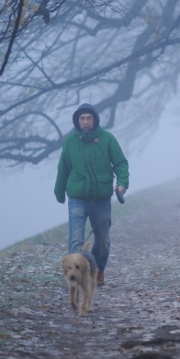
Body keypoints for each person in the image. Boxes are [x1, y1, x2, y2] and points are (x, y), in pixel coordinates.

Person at [54, 103, 129, 286]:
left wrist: (121, 185)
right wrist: (59, 191)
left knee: (102, 241)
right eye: (82, 118)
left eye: (89, 118)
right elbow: (63, 169)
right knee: (77, 240)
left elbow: (121, 164)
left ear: (94, 120)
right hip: (77, 198)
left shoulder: (107, 139)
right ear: (77, 121)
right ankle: (78, 277)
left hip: (101, 198)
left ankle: (99, 269)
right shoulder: (70, 142)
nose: (85, 121)